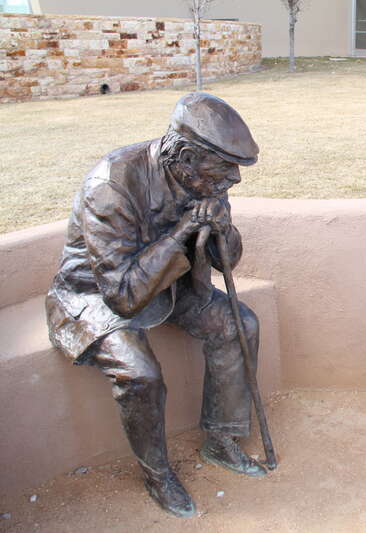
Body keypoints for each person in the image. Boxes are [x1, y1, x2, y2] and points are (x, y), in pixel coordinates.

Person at [45, 93, 267, 517]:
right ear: (183, 155)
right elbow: (123, 296)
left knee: (239, 324)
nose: (233, 178)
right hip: (94, 294)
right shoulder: (110, 185)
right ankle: (157, 472)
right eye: (224, 167)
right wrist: (185, 228)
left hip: (167, 283)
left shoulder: (206, 179)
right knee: (140, 374)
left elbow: (225, 262)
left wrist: (222, 229)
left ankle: (221, 439)